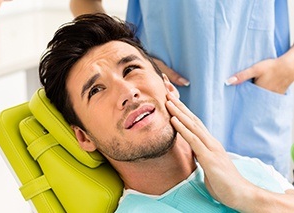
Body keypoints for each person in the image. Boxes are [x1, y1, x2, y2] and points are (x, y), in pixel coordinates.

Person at [39, 13, 294, 212]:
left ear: (167, 85)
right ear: (84, 137)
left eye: (130, 69)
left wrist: (248, 196)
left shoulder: (244, 169)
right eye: (96, 90)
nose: (127, 92)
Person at [69, 0, 294, 180]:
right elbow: (83, 2)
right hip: (162, 101)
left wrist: (286, 68)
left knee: (265, 190)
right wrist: (133, 60)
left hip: (253, 102)